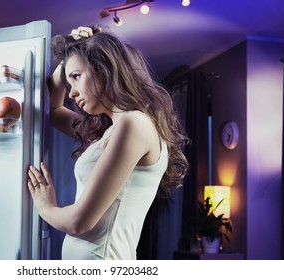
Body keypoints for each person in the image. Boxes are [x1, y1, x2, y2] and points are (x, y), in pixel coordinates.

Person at [27, 25, 189, 260]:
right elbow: (52, 109)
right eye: (69, 83)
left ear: (103, 68)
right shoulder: (111, 131)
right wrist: (71, 54)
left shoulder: (134, 124)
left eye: (76, 78)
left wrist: (45, 207)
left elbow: (80, 221)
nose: (71, 93)